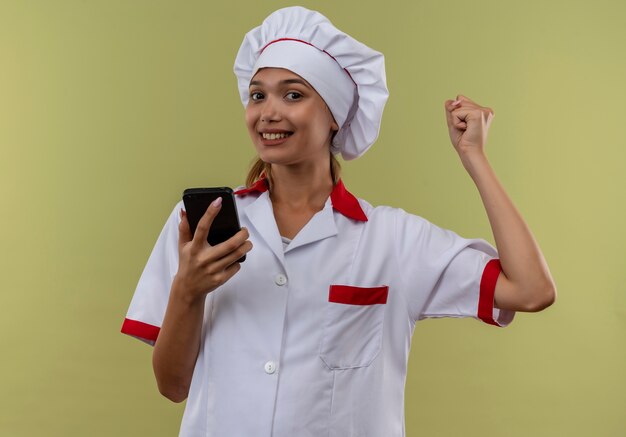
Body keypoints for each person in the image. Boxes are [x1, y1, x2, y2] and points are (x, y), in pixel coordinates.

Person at [121, 6, 556, 437]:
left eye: (293, 94)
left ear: (335, 114)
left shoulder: (393, 240)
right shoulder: (198, 228)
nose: (269, 112)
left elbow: (532, 290)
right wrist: (188, 290)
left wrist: (474, 158)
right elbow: (172, 386)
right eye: (258, 95)